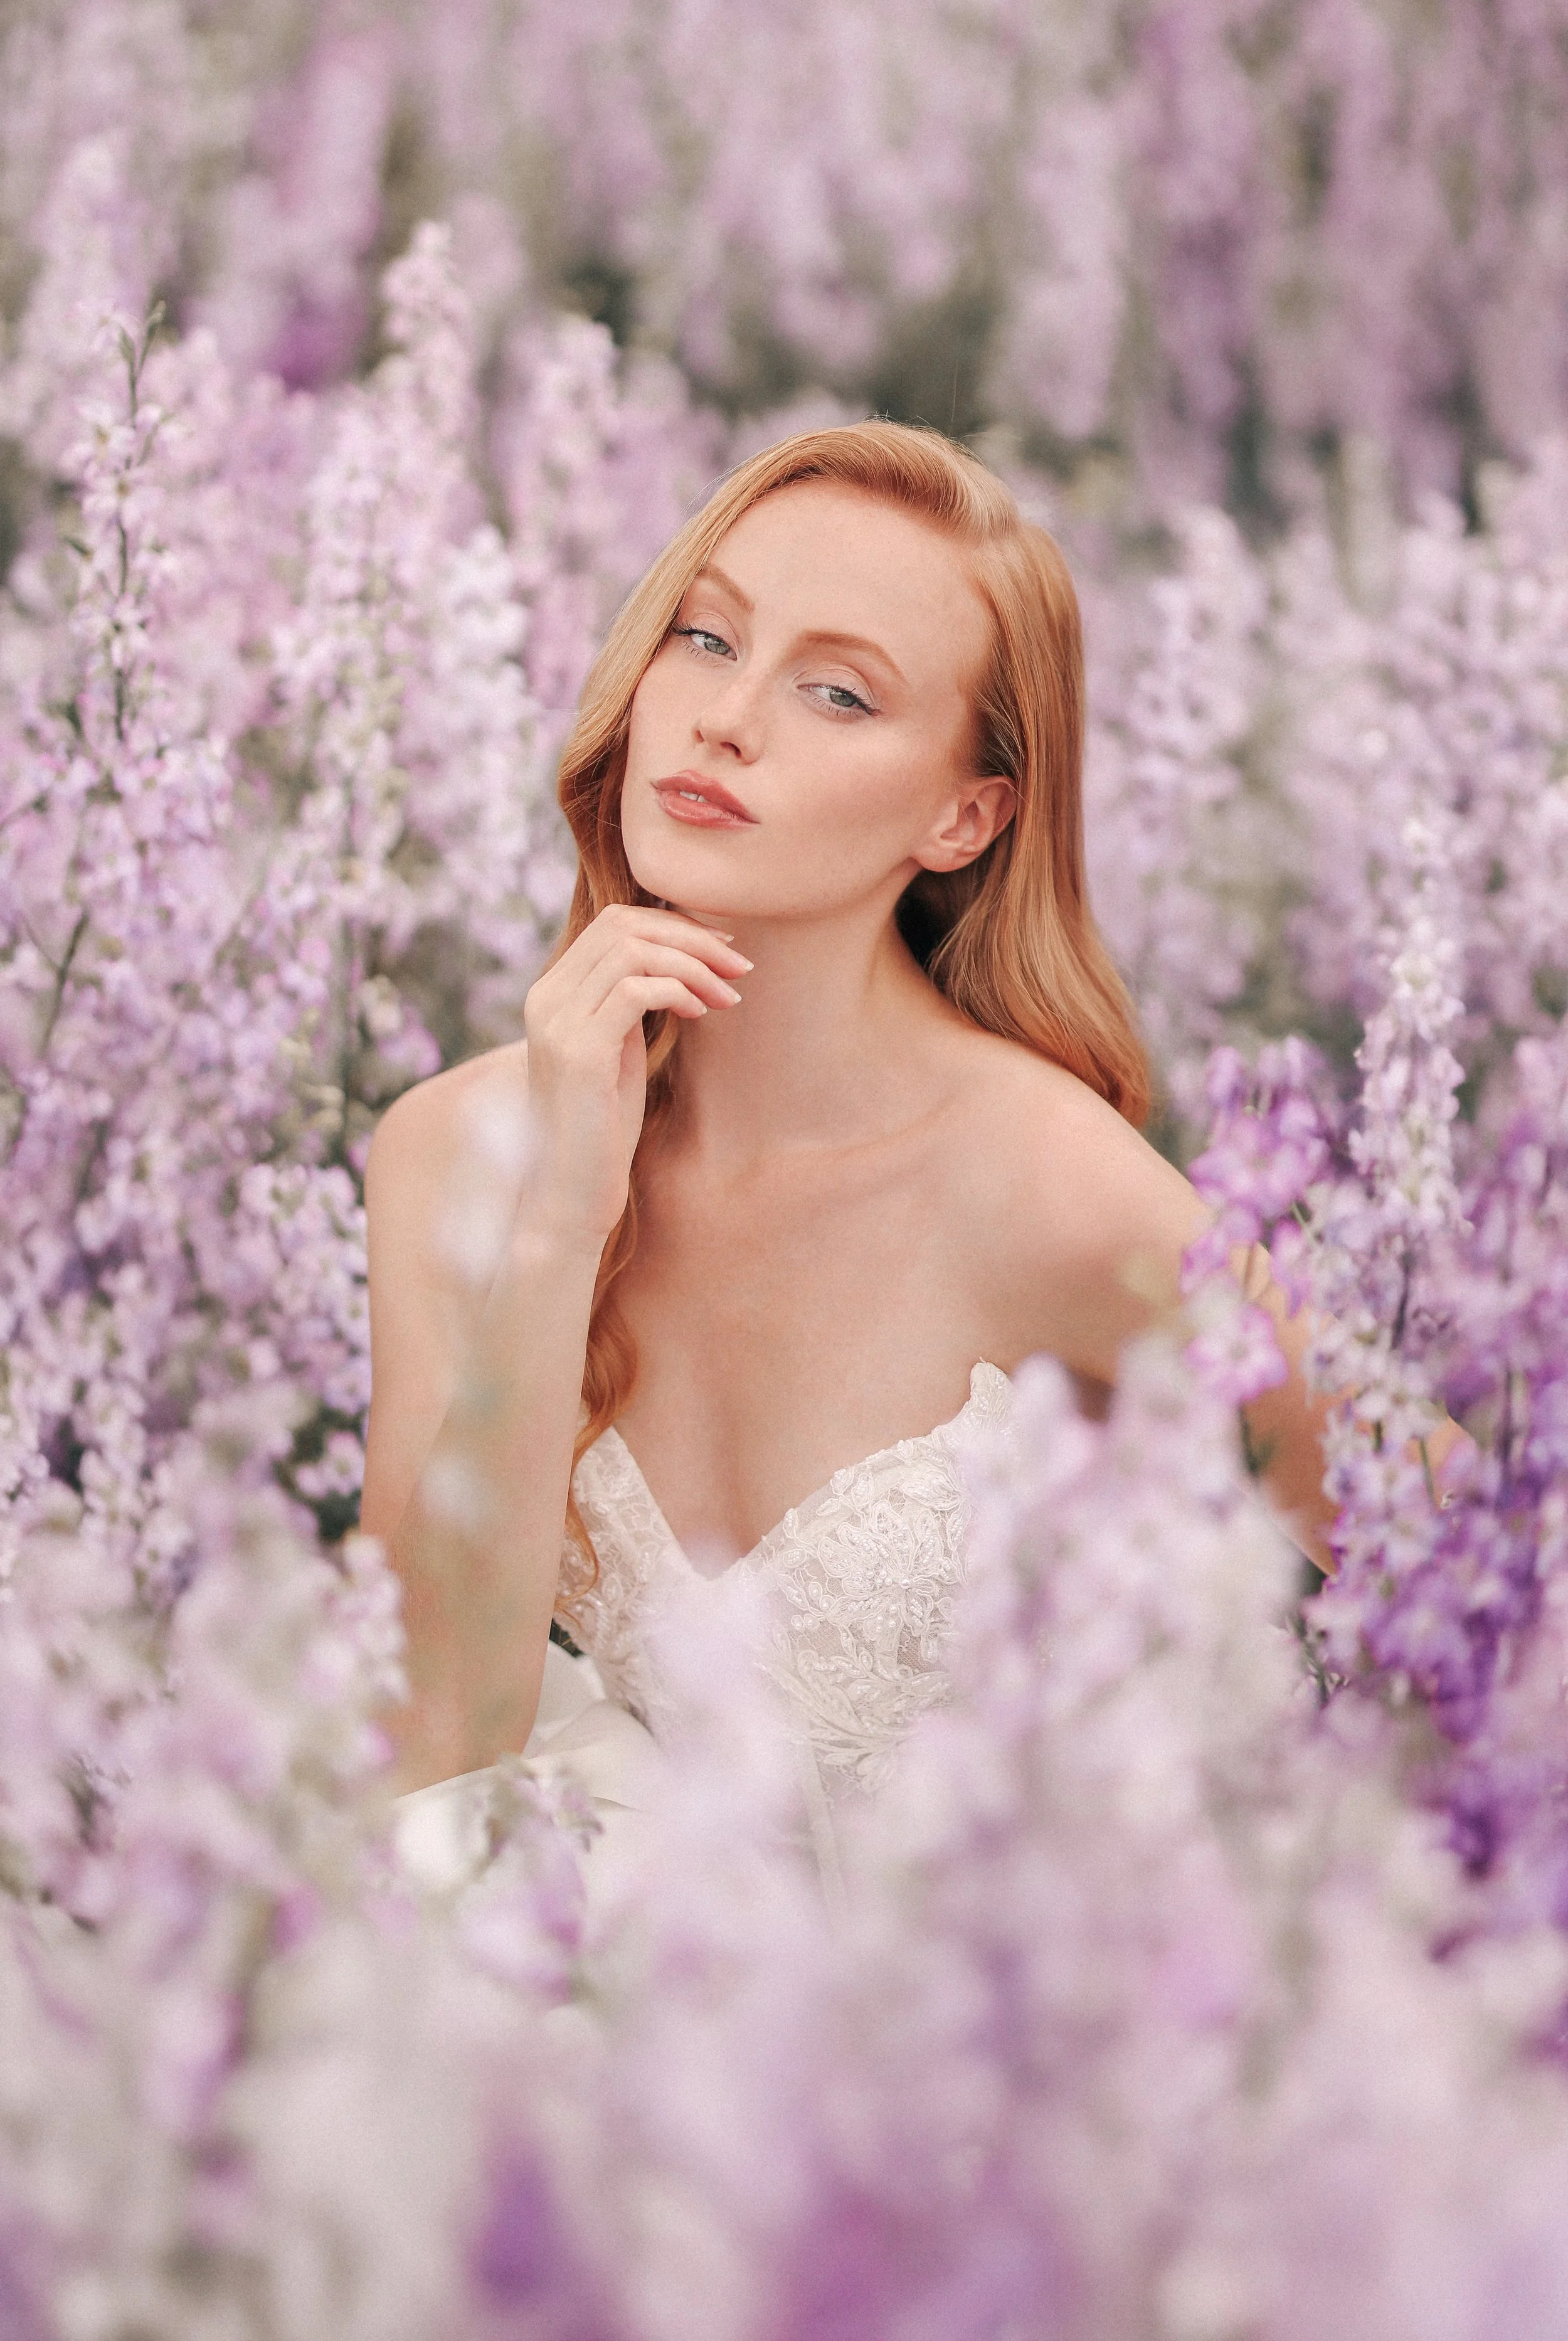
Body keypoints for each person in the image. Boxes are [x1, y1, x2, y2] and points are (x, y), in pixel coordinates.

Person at [362, 422, 1338, 1856]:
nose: (726, 717)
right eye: (703, 638)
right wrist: (559, 1214)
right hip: (683, 2019)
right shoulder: (457, 1152)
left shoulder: (1048, 1182)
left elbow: (1473, 1579)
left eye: (835, 691)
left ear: (961, 814)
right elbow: (427, 1743)